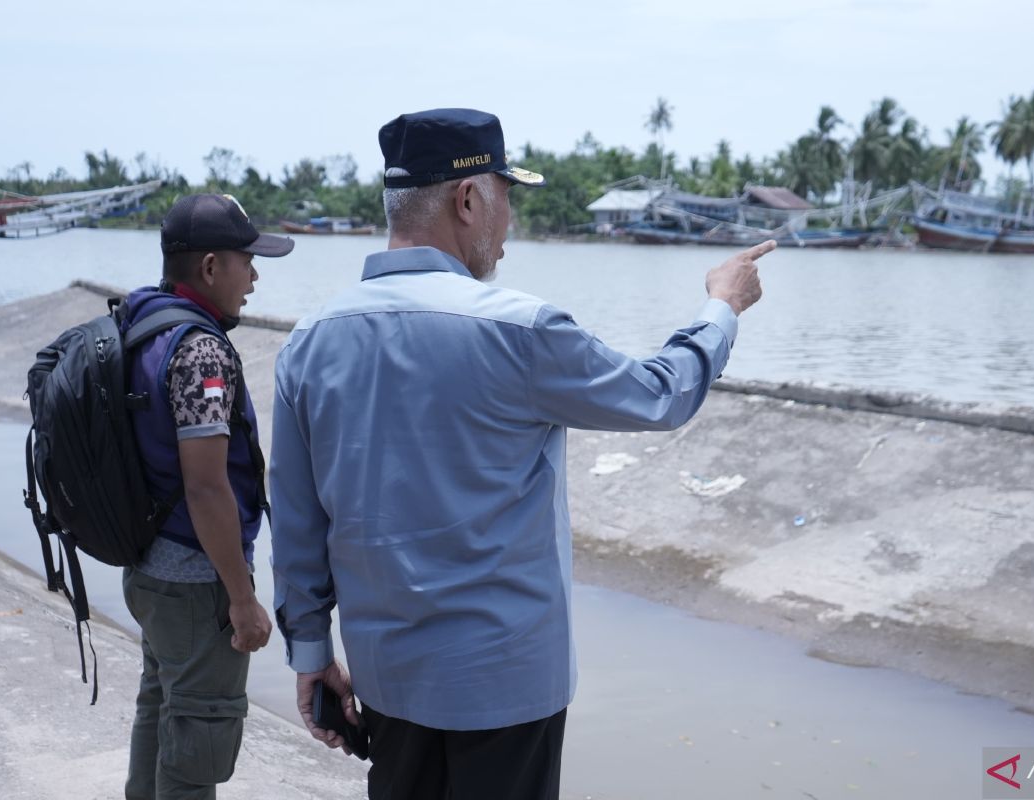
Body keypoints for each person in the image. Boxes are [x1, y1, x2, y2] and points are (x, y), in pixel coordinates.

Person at [269, 108, 771, 800]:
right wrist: (722, 308)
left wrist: (310, 652)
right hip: (505, 688)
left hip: (387, 679)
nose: (510, 227)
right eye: (507, 199)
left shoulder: (310, 342)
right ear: (468, 199)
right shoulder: (520, 331)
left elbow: (297, 524)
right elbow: (661, 394)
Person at [120, 193, 293, 799]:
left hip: (149, 568)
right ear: (213, 267)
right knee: (197, 750)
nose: (255, 276)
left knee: (161, 716)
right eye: (247, 260)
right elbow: (206, 484)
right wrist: (242, 601)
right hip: (195, 583)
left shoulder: (141, 323)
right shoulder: (200, 350)